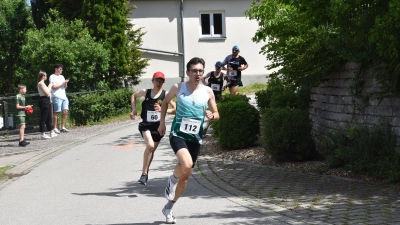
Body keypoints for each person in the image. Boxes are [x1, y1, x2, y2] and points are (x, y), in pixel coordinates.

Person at [158, 57, 219, 224]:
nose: (198, 74)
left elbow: (217, 114)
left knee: (185, 176)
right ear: (188, 72)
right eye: (194, 71)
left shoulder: (208, 92)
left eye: (200, 71)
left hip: (195, 138)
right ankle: (172, 180)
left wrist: (212, 115)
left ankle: (168, 208)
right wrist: (162, 123)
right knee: (185, 165)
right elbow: (164, 103)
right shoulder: (178, 87)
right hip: (178, 134)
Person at [130, 71, 176, 185]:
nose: (158, 82)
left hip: (158, 127)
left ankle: (145, 174)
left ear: (163, 82)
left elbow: (175, 109)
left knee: (151, 150)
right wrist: (134, 109)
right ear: (153, 81)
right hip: (146, 125)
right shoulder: (146, 92)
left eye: (161, 81)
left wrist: (163, 110)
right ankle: (144, 174)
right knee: (150, 145)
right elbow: (133, 96)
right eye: (157, 80)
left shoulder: (165, 95)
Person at [49, 64, 70, 133]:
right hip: (57, 96)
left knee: (65, 111)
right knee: (57, 112)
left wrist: (65, 83)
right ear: (56, 69)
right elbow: (54, 87)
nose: (61, 70)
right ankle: (54, 127)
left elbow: (65, 87)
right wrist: (62, 83)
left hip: (63, 96)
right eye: (60, 69)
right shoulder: (52, 77)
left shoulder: (62, 77)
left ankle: (63, 127)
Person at [37, 71, 58, 139]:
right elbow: (47, 93)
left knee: (49, 117)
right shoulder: (41, 83)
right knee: (44, 118)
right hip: (44, 100)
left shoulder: (43, 83)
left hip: (47, 100)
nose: (46, 76)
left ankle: (51, 131)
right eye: (45, 75)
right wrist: (50, 86)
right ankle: (42, 133)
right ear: (42, 76)